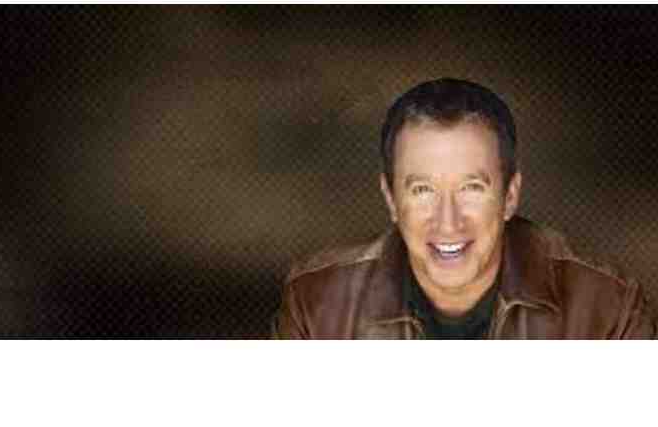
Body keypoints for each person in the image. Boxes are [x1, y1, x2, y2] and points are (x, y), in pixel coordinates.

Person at [273, 78, 656, 339]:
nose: (448, 221)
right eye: (423, 190)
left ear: (510, 196)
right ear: (391, 199)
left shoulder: (608, 310)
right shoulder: (316, 305)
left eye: (472, 188)